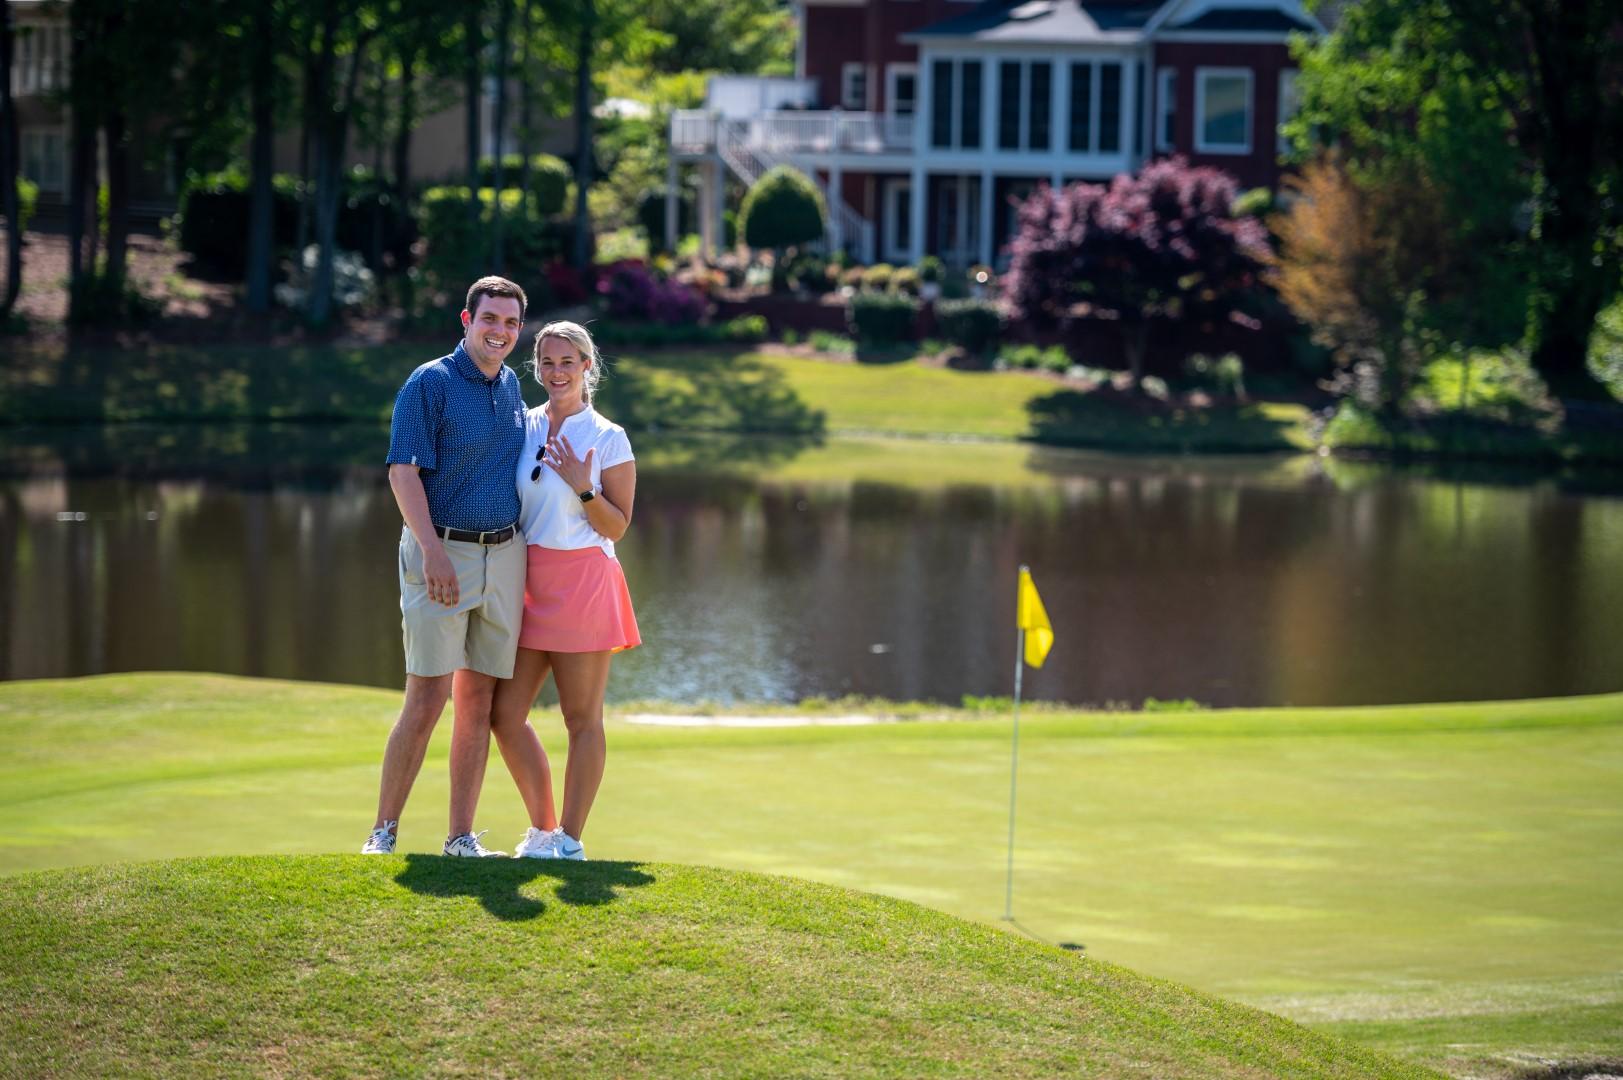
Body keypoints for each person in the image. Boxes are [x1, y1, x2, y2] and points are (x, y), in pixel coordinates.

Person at [361, 276, 530, 858]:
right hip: (442, 552)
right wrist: (431, 549)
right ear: (467, 319)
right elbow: (401, 470)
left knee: (476, 701)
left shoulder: (510, 386)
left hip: (504, 554)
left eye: (511, 323)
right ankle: (382, 833)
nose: (500, 332)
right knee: (427, 696)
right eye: (491, 320)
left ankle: (460, 838)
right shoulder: (429, 382)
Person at [462, 320, 640, 861]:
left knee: (581, 719)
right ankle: (542, 830)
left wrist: (584, 485)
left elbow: (617, 527)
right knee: (504, 714)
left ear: (588, 366)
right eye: (547, 362)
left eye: (567, 362)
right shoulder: (524, 423)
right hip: (526, 579)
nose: (556, 372)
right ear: (536, 368)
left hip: (584, 581)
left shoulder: (609, 438)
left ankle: (570, 839)